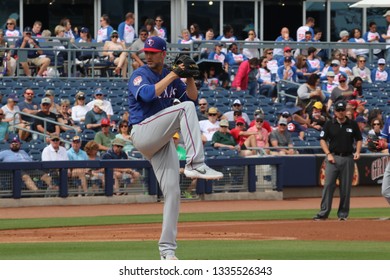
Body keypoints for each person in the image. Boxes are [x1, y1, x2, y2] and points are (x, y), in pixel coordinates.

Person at [128, 36, 223, 260]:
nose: (148, 55)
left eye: (152, 52)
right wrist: (173, 74)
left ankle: (167, 253)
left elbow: (192, 96)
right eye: (146, 52)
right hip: (142, 132)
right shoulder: (140, 74)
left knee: (173, 192)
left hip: (162, 140)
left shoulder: (171, 76)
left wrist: (188, 76)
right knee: (185, 109)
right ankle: (196, 163)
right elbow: (149, 94)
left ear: (163, 53)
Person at [314, 100, 362, 221]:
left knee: (345, 188)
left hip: (348, 158)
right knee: (328, 185)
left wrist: (357, 151)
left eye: (342, 110)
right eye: (338, 110)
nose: (341, 112)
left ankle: (343, 215)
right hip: (333, 158)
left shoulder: (352, 124)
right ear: (335, 112)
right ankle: (323, 213)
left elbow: (359, 139)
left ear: (346, 111)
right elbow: (322, 140)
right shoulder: (329, 124)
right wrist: (328, 154)